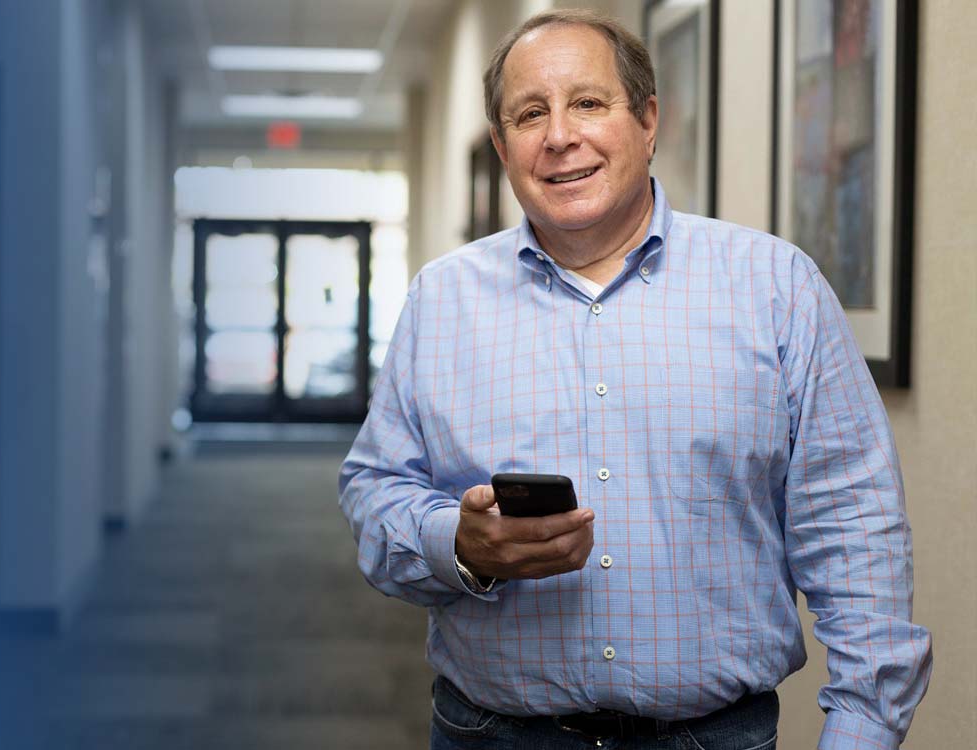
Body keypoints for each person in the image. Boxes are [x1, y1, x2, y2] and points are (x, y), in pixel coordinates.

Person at [338, 10, 930, 750]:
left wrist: (860, 733)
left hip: (715, 738)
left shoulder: (776, 289)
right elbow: (373, 491)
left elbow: (855, 530)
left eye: (588, 102)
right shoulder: (441, 300)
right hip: (492, 734)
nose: (559, 136)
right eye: (530, 113)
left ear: (648, 120)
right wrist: (458, 546)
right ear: (502, 146)